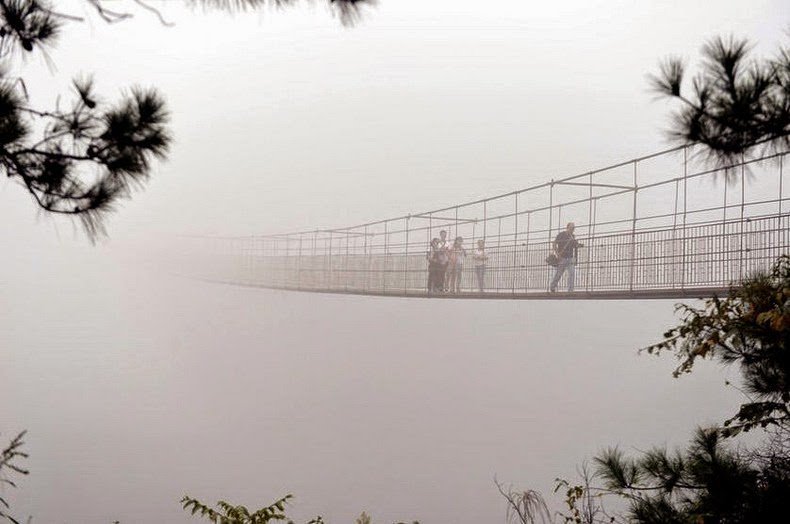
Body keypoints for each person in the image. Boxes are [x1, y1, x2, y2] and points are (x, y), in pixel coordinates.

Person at [550, 222, 582, 292]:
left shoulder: (572, 236)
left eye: (573, 228)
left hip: (570, 258)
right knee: (559, 274)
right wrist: (557, 254)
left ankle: (570, 290)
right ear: (567, 227)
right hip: (562, 258)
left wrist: (579, 245)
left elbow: (574, 245)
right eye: (571, 228)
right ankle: (552, 286)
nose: (572, 229)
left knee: (572, 273)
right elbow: (554, 243)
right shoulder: (561, 235)